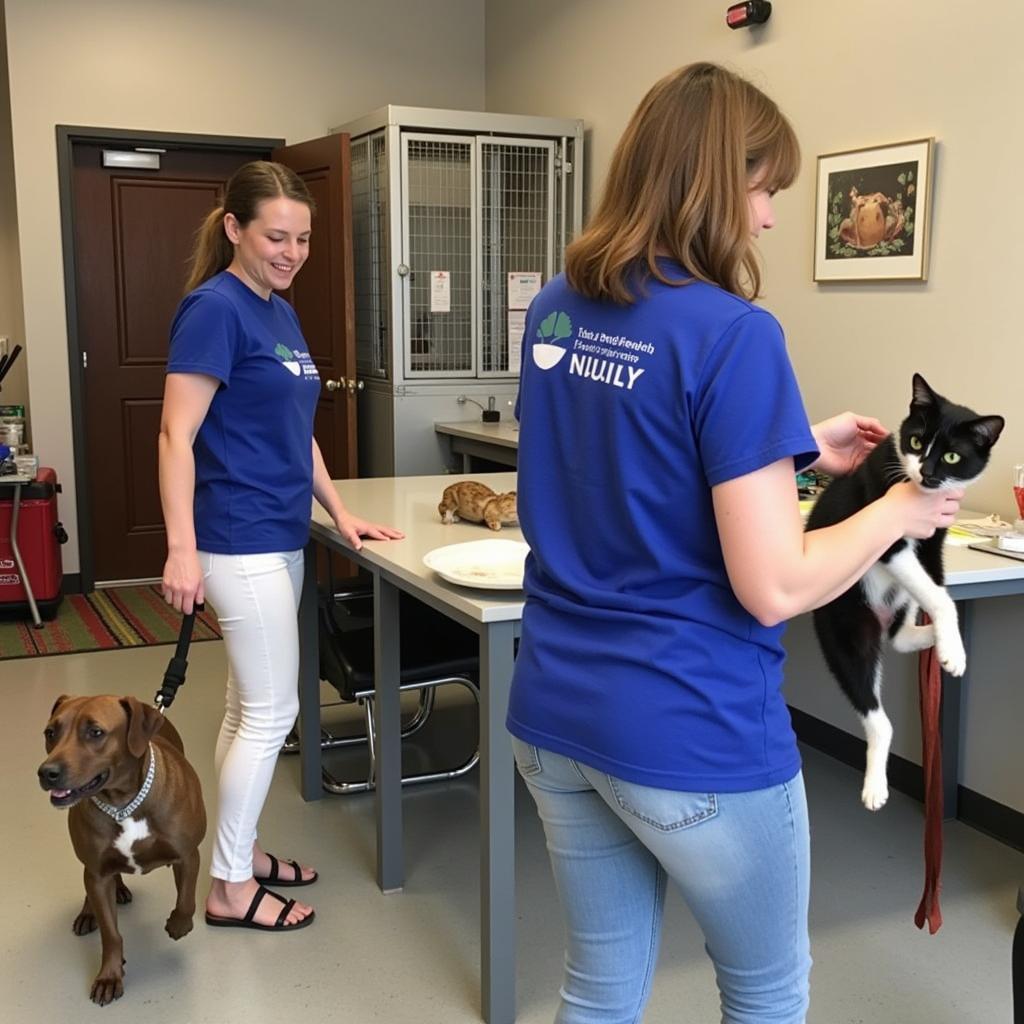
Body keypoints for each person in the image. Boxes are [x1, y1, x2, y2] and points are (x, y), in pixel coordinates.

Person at [507, 63, 963, 1022]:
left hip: (554, 712)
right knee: (765, 994)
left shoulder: (556, 306)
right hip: (687, 727)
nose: (765, 220)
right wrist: (894, 512)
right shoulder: (735, 334)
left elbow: (638, 479)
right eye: (762, 191)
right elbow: (773, 586)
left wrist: (795, 455)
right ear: (714, 183)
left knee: (598, 990)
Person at [159, 161, 403, 932]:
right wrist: (180, 549)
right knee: (271, 715)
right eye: (275, 236)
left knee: (244, 710)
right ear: (234, 228)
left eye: (301, 237)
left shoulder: (278, 310)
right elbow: (175, 434)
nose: (291, 251)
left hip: (280, 532)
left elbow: (297, 434)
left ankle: (240, 850)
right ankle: (229, 888)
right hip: (237, 539)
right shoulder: (215, 310)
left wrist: (339, 513)